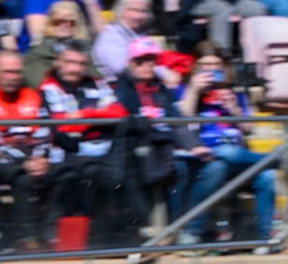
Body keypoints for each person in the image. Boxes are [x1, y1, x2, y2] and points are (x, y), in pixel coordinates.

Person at [0, 49, 56, 251]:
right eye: (7, 72)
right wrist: (25, 160)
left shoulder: (34, 96)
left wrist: (40, 158)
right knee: (21, 177)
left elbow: (45, 131)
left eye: (16, 72)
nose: (12, 77)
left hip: (34, 158)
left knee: (68, 173)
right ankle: (24, 237)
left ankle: (53, 235)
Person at [178, 52, 274, 242]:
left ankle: (266, 239)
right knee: (220, 161)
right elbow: (181, 119)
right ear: (196, 68)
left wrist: (234, 109)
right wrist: (194, 91)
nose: (211, 69)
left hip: (237, 156)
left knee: (266, 176)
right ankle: (191, 231)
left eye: (216, 65)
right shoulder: (185, 90)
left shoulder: (235, 93)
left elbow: (248, 128)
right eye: (206, 65)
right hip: (203, 155)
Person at [41, 43, 130, 249]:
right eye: (70, 62)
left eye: (81, 63)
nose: (76, 68)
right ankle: (60, 236)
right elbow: (61, 128)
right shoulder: (48, 89)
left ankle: (102, 236)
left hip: (103, 152)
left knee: (113, 174)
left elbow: (118, 113)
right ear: (58, 63)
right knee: (80, 175)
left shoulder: (98, 84)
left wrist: (84, 116)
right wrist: (97, 119)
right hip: (66, 154)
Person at [112, 39, 186, 238]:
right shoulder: (122, 88)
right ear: (131, 63)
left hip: (166, 144)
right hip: (139, 146)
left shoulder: (162, 88)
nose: (147, 66)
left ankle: (179, 229)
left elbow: (175, 117)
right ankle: (148, 229)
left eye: (151, 61)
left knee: (184, 167)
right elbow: (123, 120)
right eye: (140, 61)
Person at [24, 0, 89, 84]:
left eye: (71, 22)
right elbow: (37, 82)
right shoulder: (38, 53)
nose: (65, 25)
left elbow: (96, 78)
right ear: (50, 22)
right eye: (58, 21)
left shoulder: (86, 50)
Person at [186, 0, 267, 62]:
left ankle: (256, 56)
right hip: (200, 3)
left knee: (257, 9)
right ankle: (221, 53)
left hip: (232, 2)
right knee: (222, 9)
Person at [94, 0, 154, 80]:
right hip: (121, 87)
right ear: (120, 11)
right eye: (133, 10)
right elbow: (123, 69)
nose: (138, 16)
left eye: (143, 11)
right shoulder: (111, 36)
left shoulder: (139, 34)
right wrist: (163, 73)